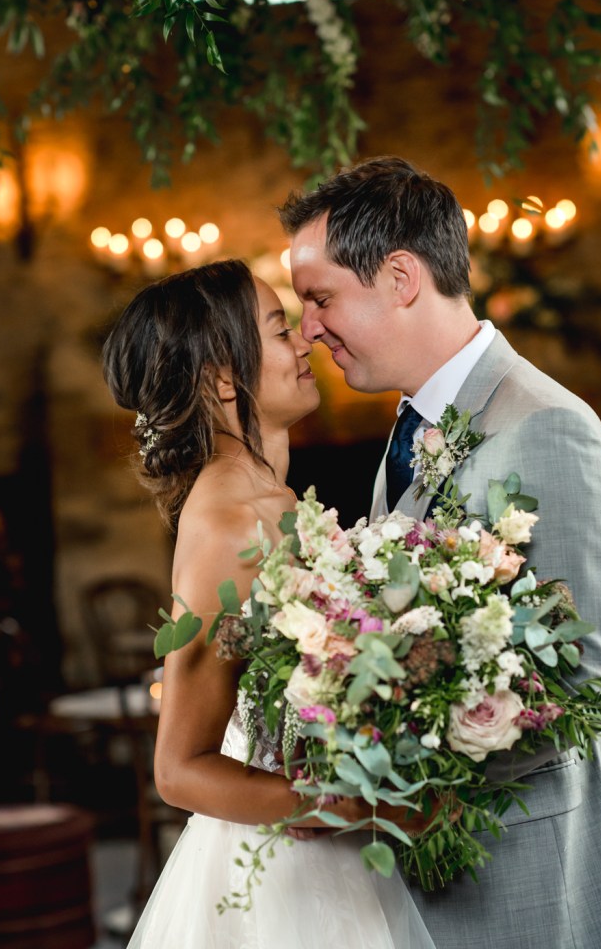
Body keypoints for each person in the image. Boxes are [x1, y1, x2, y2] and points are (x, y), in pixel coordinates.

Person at [280, 157, 601, 949]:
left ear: (401, 276)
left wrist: (381, 779)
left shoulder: (546, 426)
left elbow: (590, 681)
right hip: (436, 882)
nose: (309, 327)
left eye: (320, 298)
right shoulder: (412, 424)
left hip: (530, 881)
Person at [101, 259, 437, 949]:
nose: (305, 341)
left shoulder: (276, 505)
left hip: (332, 859)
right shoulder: (232, 524)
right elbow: (178, 768)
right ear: (225, 377)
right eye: (281, 329)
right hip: (282, 881)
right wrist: (339, 807)